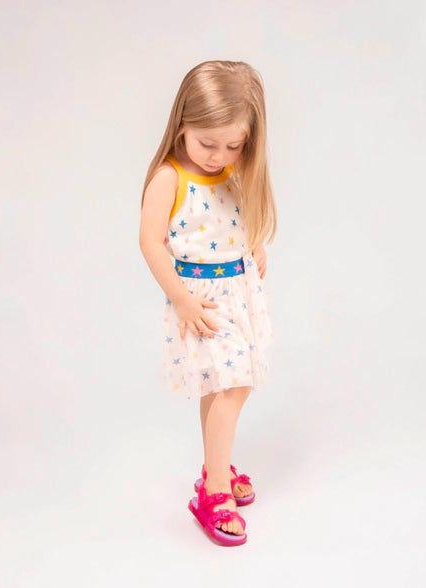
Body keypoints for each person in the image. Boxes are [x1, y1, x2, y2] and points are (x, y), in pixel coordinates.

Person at [139, 60, 277, 546]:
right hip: (201, 303)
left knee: (222, 385)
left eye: (234, 145)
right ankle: (214, 489)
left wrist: (253, 245)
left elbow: (233, 218)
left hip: (238, 295)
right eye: (208, 143)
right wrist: (180, 301)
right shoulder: (170, 178)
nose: (220, 156)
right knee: (236, 384)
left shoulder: (231, 170)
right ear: (182, 125)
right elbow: (151, 242)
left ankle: (214, 468)